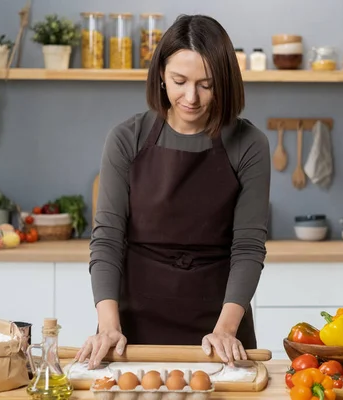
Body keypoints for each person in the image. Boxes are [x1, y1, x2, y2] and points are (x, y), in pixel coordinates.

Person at [76, 14, 270, 369]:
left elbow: (248, 247)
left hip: (219, 326)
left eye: (206, 85)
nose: (191, 97)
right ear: (161, 75)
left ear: (225, 82)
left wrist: (226, 330)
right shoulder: (126, 138)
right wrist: (108, 326)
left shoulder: (250, 144)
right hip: (133, 327)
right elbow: (107, 240)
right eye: (179, 81)